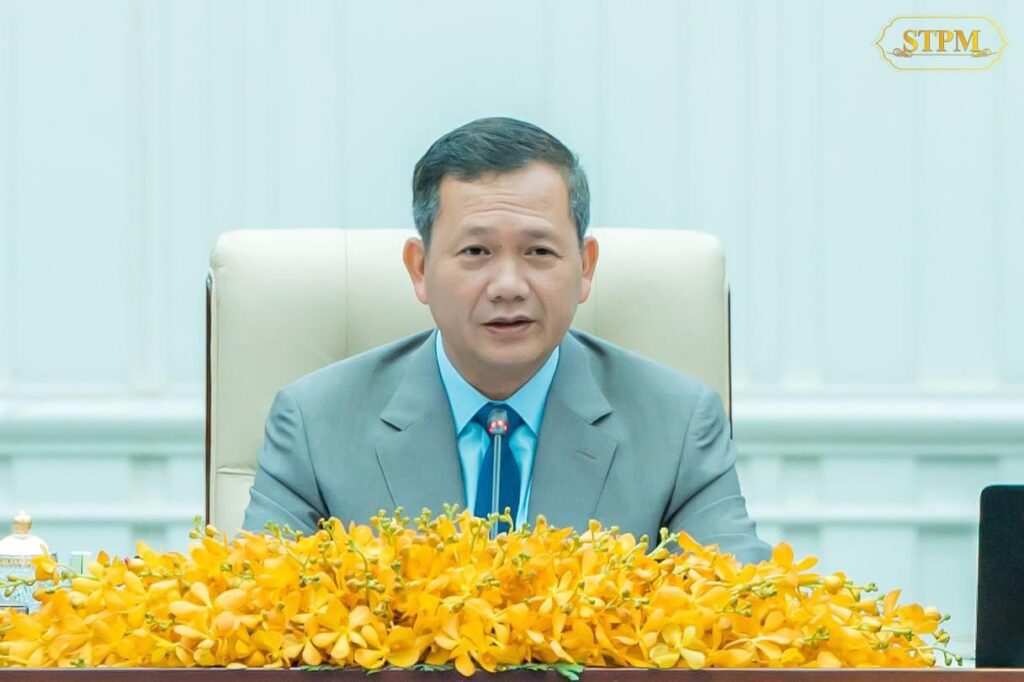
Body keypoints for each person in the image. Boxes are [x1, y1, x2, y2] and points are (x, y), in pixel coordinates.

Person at [242, 117, 770, 564]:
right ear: (419, 269)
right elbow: (261, 615)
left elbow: (737, 609)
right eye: (476, 252)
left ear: (585, 268)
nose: (509, 286)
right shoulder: (315, 424)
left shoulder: (677, 425)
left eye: (539, 252)